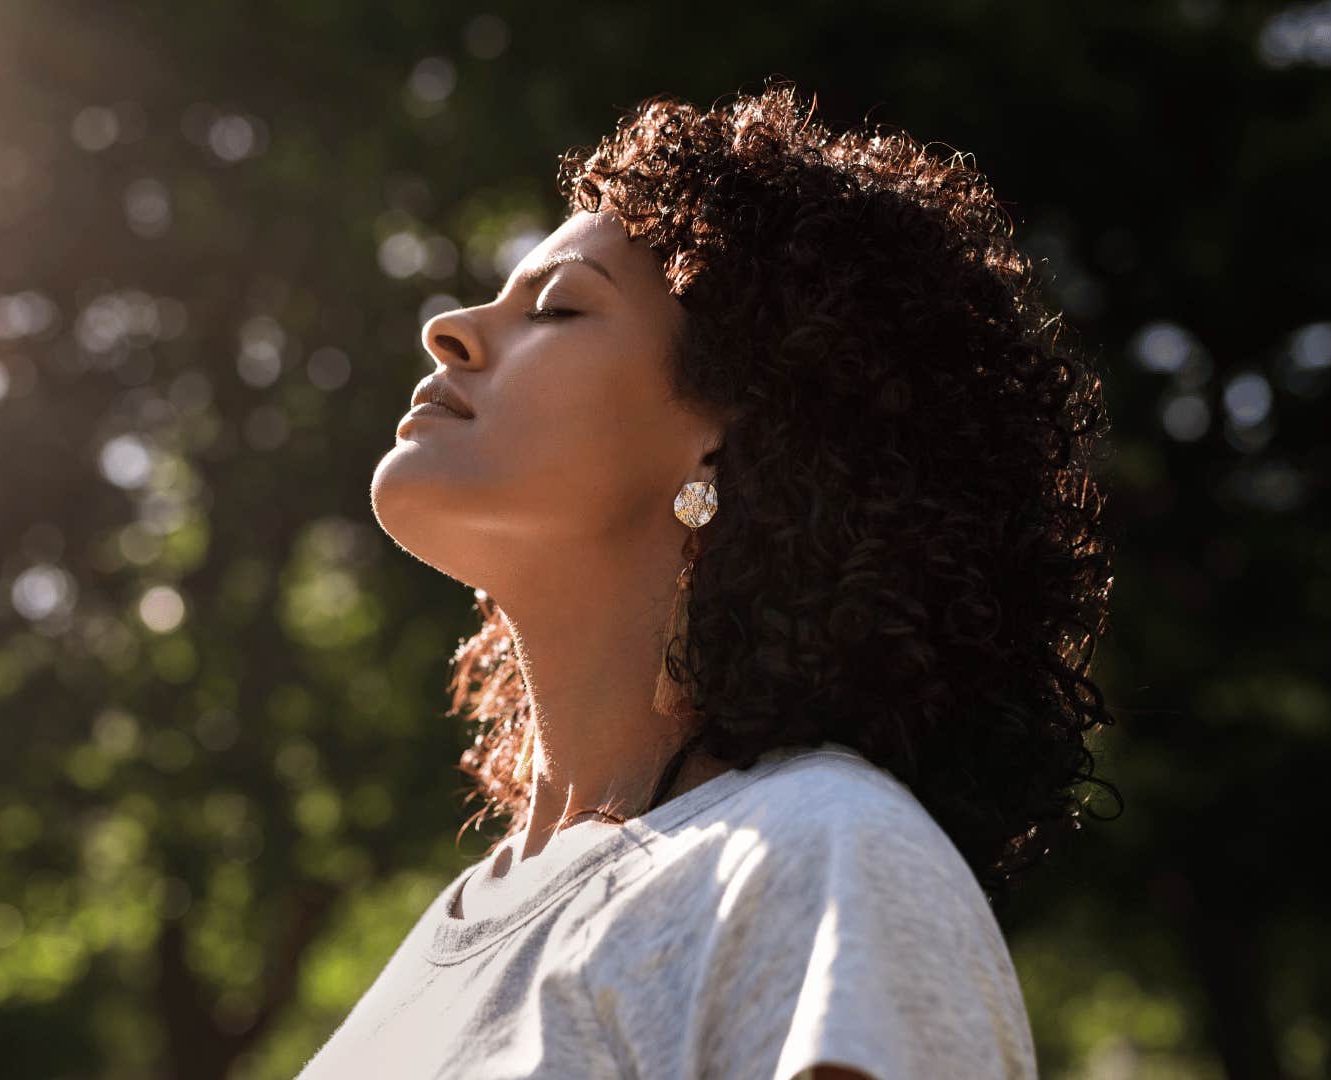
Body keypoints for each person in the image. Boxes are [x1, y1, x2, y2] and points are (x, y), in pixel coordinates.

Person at [302, 77, 1119, 1080]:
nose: (453, 328)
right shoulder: (452, 930)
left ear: (730, 444)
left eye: (557, 308)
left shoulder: (820, 855)